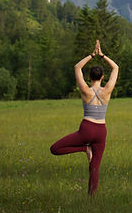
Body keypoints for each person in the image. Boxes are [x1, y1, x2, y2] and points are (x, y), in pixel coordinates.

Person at [50, 39, 119, 195]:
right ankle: (91, 199)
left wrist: (91, 55)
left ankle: (84, 148)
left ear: (89, 77)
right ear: (102, 77)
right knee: (95, 166)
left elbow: (77, 67)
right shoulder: (107, 90)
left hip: (86, 129)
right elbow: (115, 67)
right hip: (101, 130)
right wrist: (102, 56)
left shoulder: (85, 90)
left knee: (54, 149)